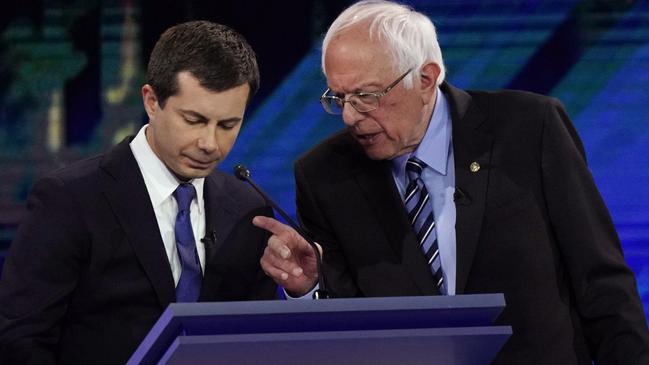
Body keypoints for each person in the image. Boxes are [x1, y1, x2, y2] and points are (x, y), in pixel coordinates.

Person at [254, 1, 649, 364]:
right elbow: (348, 326)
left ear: (426, 78)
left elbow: (600, 281)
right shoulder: (323, 175)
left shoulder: (529, 128)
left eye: (366, 96)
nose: (350, 117)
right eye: (338, 98)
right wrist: (308, 287)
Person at [0, 21, 276, 365]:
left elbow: (260, 339)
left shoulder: (248, 208)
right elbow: (21, 339)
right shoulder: (70, 199)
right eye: (193, 120)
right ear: (151, 101)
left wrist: (301, 292)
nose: (209, 144)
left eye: (227, 125)